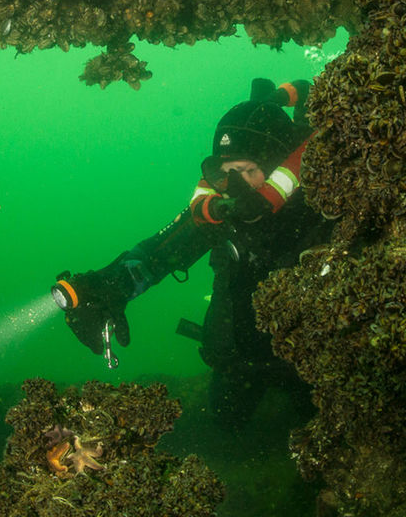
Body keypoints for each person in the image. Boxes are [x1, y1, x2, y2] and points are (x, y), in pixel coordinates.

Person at [52, 78, 334, 425]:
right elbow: (158, 253)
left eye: (247, 171)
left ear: (277, 163)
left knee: (318, 420)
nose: (234, 186)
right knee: (226, 419)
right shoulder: (220, 211)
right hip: (240, 362)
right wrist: (107, 288)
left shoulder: (324, 203)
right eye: (226, 173)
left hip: (314, 360)